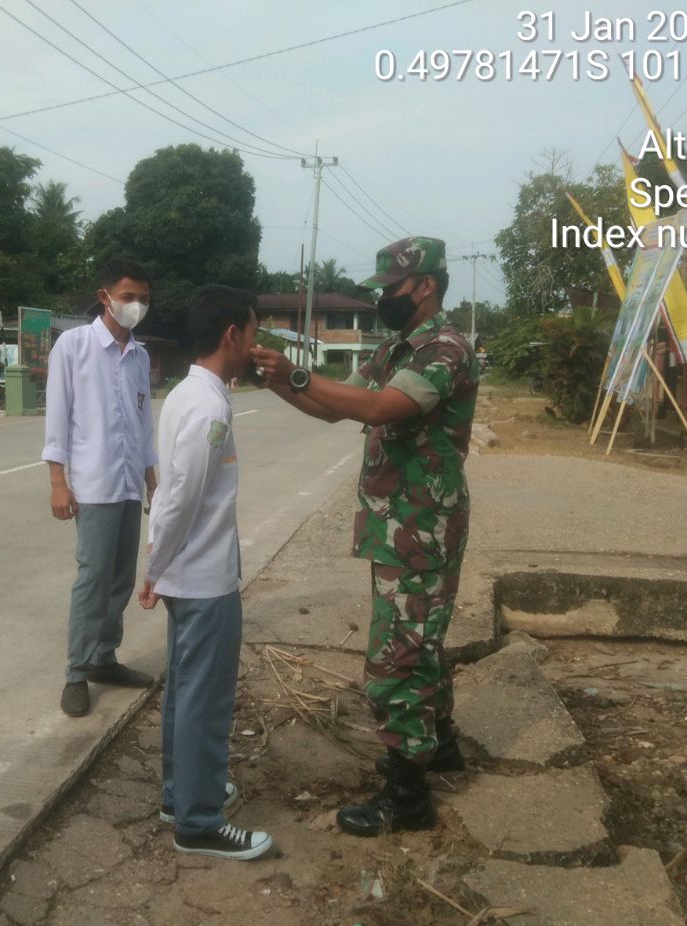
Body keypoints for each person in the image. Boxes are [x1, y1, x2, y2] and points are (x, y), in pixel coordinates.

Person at [249, 237, 478, 837]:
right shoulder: (401, 347)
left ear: (425, 285)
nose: (383, 301)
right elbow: (334, 407)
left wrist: (295, 371)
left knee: (397, 658)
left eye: (391, 290)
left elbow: (380, 409)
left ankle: (406, 798)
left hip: (421, 529)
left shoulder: (444, 349)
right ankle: (440, 747)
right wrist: (278, 378)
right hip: (401, 525)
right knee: (420, 641)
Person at [139, 285, 272, 860]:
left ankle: (181, 794)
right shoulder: (210, 407)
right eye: (253, 331)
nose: (256, 343)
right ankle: (197, 820)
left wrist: (159, 567)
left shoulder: (188, 394)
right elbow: (179, 498)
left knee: (184, 692)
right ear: (231, 335)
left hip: (188, 573)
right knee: (204, 697)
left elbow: (174, 492)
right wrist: (155, 567)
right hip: (201, 578)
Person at [44, 259, 159, 717]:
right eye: (129, 296)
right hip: (93, 484)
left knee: (120, 579)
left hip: (130, 483)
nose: (137, 305)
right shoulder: (73, 346)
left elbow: (143, 425)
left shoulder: (141, 354)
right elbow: (57, 418)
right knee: (92, 579)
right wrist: (58, 481)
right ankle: (76, 672)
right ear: (105, 296)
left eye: (144, 298)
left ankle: (104, 659)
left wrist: (155, 487)